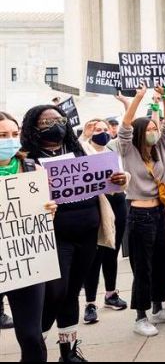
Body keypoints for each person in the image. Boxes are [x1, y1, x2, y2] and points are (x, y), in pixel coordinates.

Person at [21, 105, 125, 362]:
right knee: (56, 292)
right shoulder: (27, 159)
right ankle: (37, 344)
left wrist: (120, 179)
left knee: (72, 292)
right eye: (46, 122)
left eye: (58, 120)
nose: (55, 125)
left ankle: (68, 352)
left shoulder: (79, 151)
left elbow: (107, 178)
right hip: (56, 238)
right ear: (34, 127)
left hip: (88, 234)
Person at [118, 84, 165, 337]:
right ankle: (141, 316)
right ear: (140, 133)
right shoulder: (129, 150)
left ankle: (158, 307)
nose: (155, 132)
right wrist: (139, 98)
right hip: (139, 214)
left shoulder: (161, 149)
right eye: (150, 129)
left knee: (161, 263)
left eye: (155, 129)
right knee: (142, 267)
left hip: (158, 212)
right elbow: (124, 127)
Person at [0, 111, 56, 362]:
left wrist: (49, 210)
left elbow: (42, 210)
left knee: (32, 336)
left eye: (13, 134)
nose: (9, 140)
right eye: (2, 135)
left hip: (26, 262)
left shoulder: (32, 167)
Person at [79, 119, 130, 325]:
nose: (101, 133)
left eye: (103, 129)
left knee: (112, 253)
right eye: (96, 130)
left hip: (117, 203)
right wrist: (84, 135)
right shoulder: (83, 151)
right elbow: (77, 152)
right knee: (94, 258)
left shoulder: (113, 150)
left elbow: (126, 174)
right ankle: (90, 303)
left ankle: (111, 293)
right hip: (97, 206)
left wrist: (123, 177)